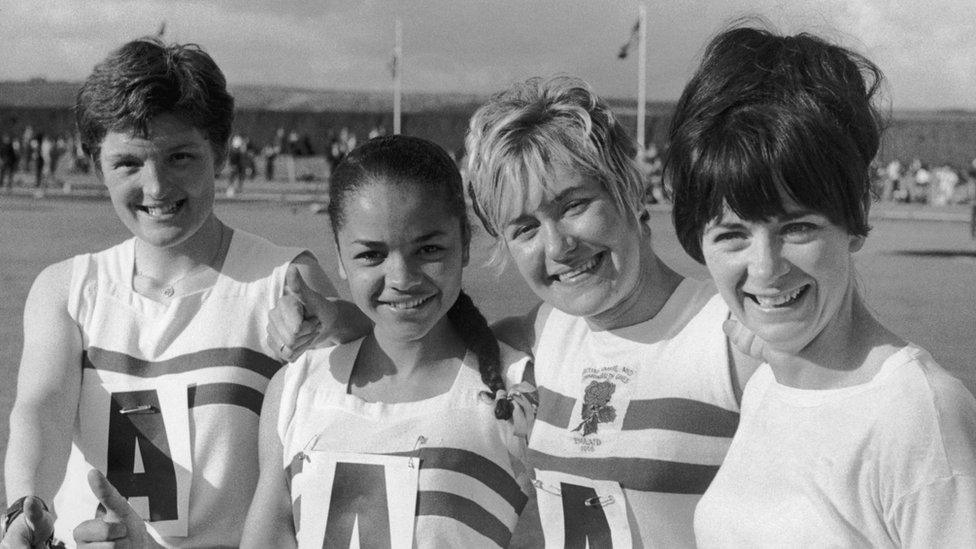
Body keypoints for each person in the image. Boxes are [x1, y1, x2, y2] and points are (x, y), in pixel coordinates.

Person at [1, 37, 366, 549]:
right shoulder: (66, 290)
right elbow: (43, 407)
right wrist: (25, 505)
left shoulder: (281, 280)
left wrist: (337, 323)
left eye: (179, 157)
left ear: (219, 151)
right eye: (128, 163)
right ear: (94, 162)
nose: (155, 187)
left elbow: (384, 392)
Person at [665, 25, 976, 547]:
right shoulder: (770, 383)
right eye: (732, 235)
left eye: (797, 228)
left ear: (852, 222)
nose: (764, 269)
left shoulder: (919, 416)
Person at [463, 76, 756, 547]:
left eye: (574, 205)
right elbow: (416, 346)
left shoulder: (731, 341)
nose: (558, 246)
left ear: (629, 189)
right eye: (524, 229)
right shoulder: (539, 339)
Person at [240, 135, 535, 548]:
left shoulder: (515, 388)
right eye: (371, 255)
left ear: (465, 245)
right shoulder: (295, 388)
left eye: (428, 248)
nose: (401, 278)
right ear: (340, 260)